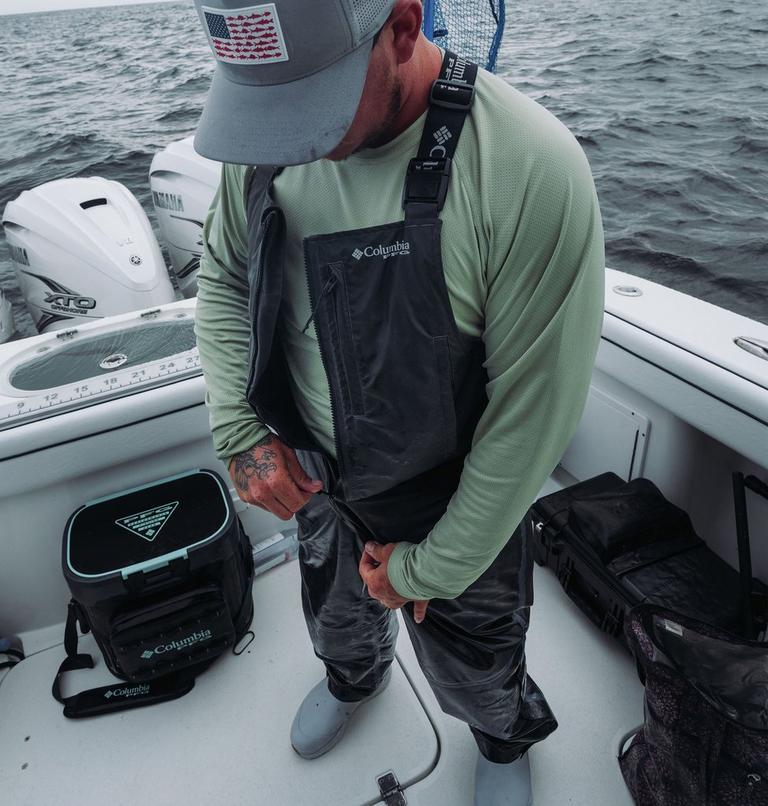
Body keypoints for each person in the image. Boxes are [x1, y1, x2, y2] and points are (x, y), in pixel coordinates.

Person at [191, 0, 605, 803]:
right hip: (315, 469)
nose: (286, 142)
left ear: (404, 28)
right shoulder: (263, 148)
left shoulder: (528, 167)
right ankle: (353, 677)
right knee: (334, 610)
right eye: (268, 112)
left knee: (477, 650)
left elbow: (531, 419)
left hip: (447, 493)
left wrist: (431, 567)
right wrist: (241, 431)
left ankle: (499, 737)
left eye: (310, 108)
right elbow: (223, 274)